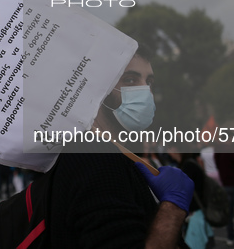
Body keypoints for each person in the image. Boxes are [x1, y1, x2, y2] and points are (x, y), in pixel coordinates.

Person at [47, 46, 195, 247]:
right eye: (130, 80)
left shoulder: (113, 153)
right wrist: (172, 208)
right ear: (99, 90)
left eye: (149, 81)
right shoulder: (94, 156)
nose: (146, 91)